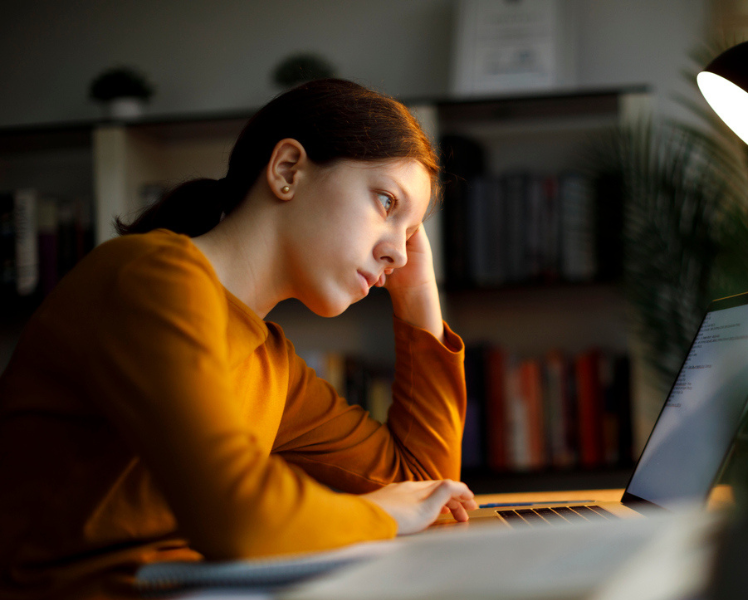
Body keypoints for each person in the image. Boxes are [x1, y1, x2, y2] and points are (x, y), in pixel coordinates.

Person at [0, 78, 477, 599]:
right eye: (387, 201)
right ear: (288, 170)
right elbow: (237, 517)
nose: (400, 254)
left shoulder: (271, 360)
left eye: (411, 235)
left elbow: (427, 486)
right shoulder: (150, 277)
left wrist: (418, 297)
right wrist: (376, 513)